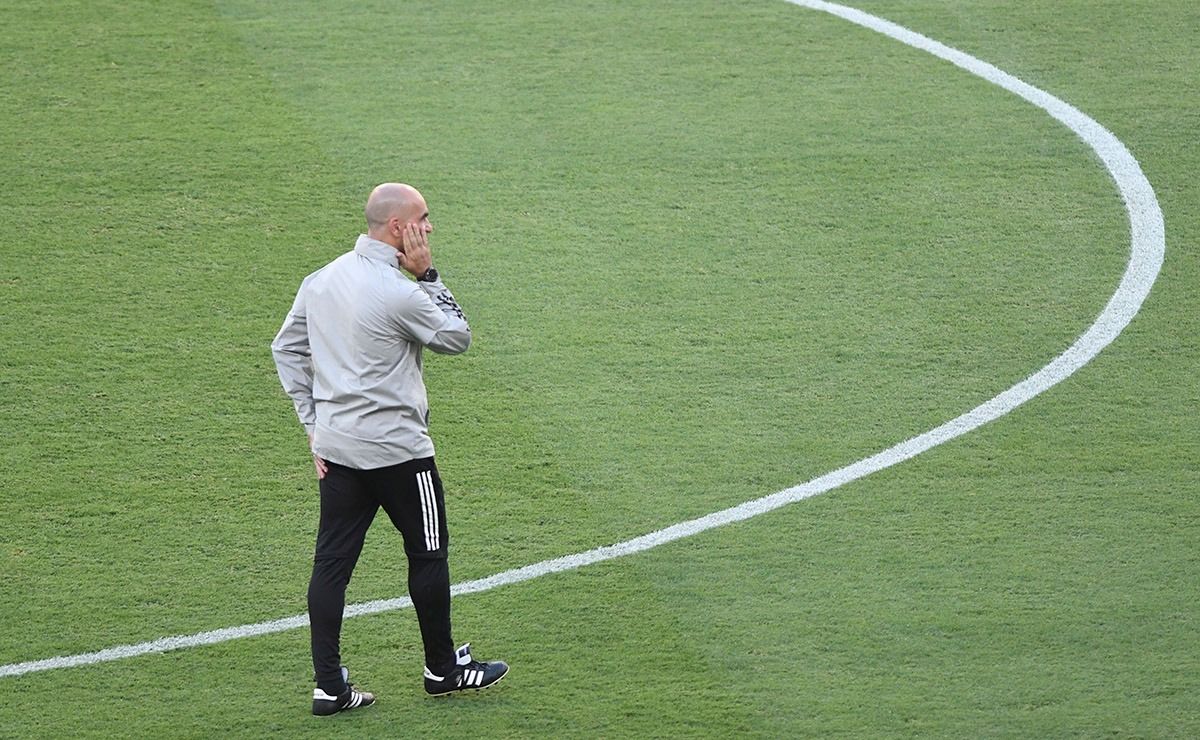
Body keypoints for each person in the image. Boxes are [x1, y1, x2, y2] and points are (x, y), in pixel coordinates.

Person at [271, 182, 509, 716]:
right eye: (424, 219)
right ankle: (443, 670)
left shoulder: (322, 280)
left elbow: (285, 348)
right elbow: (457, 337)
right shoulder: (398, 290)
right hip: (401, 453)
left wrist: (313, 425)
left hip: (338, 450)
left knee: (331, 565)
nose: (430, 228)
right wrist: (428, 275)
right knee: (428, 553)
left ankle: (329, 687)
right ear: (399, 228)